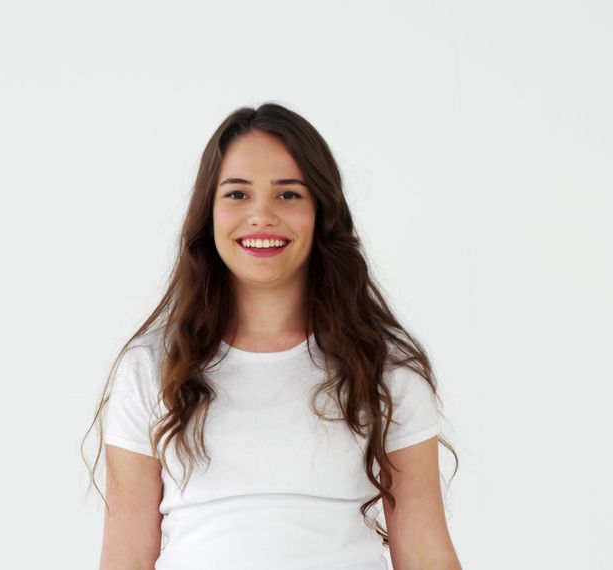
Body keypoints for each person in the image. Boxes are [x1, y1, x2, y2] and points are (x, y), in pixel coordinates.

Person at [83, 102, 462, 570]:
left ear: (322, 211)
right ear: (208, 213)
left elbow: (426, 555)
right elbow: (124, 559)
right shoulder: (151, 368)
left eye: (288, 195)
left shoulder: (385, 367)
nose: (261, 215)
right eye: (237, 194)